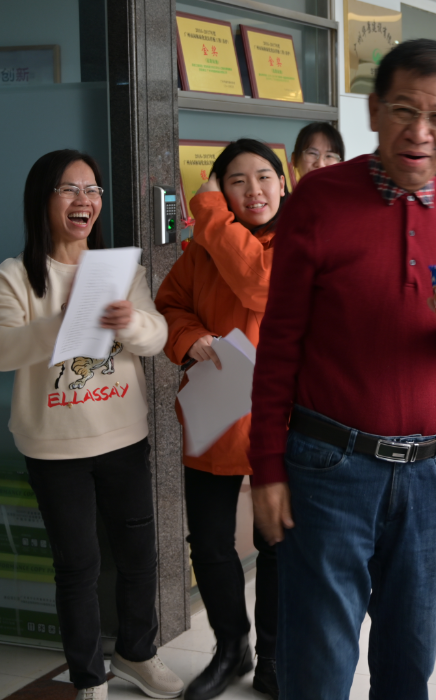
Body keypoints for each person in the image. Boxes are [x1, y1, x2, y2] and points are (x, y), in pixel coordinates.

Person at [249, 39, 436, 700]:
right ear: (375, 110)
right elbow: (280, 343)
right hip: (331, 471)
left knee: (409, 666)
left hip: (433, 476)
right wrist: (266, 466)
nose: (420, 131)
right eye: (405, 110)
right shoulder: (319, 200)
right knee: (318, 671)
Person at [0, 150, 178, 700]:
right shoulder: (14, 276)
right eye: (69, 189)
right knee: (78, 567)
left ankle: (138, 654)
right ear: (42, 199)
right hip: (54, 446)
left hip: (123, 436)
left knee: (138, 557)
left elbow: (157, 337)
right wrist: (58, 325)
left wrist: (130, 322)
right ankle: (89, 677)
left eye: (92, 190)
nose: (84, 199)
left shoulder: (120, 272)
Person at [154, 139, 285, 699]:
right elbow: (169, 306)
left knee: (275, 540)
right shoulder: (201, 251)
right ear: (222, 191)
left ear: (283, 183)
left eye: (264, 176)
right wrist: (190, 338)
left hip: (282, 417)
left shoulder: (299, 241)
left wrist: (208, 211)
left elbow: (260, 283)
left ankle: (275, 654)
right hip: (216, 412)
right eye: (236, 181)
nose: (253, 190)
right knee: (208, 542)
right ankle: (232, 648)